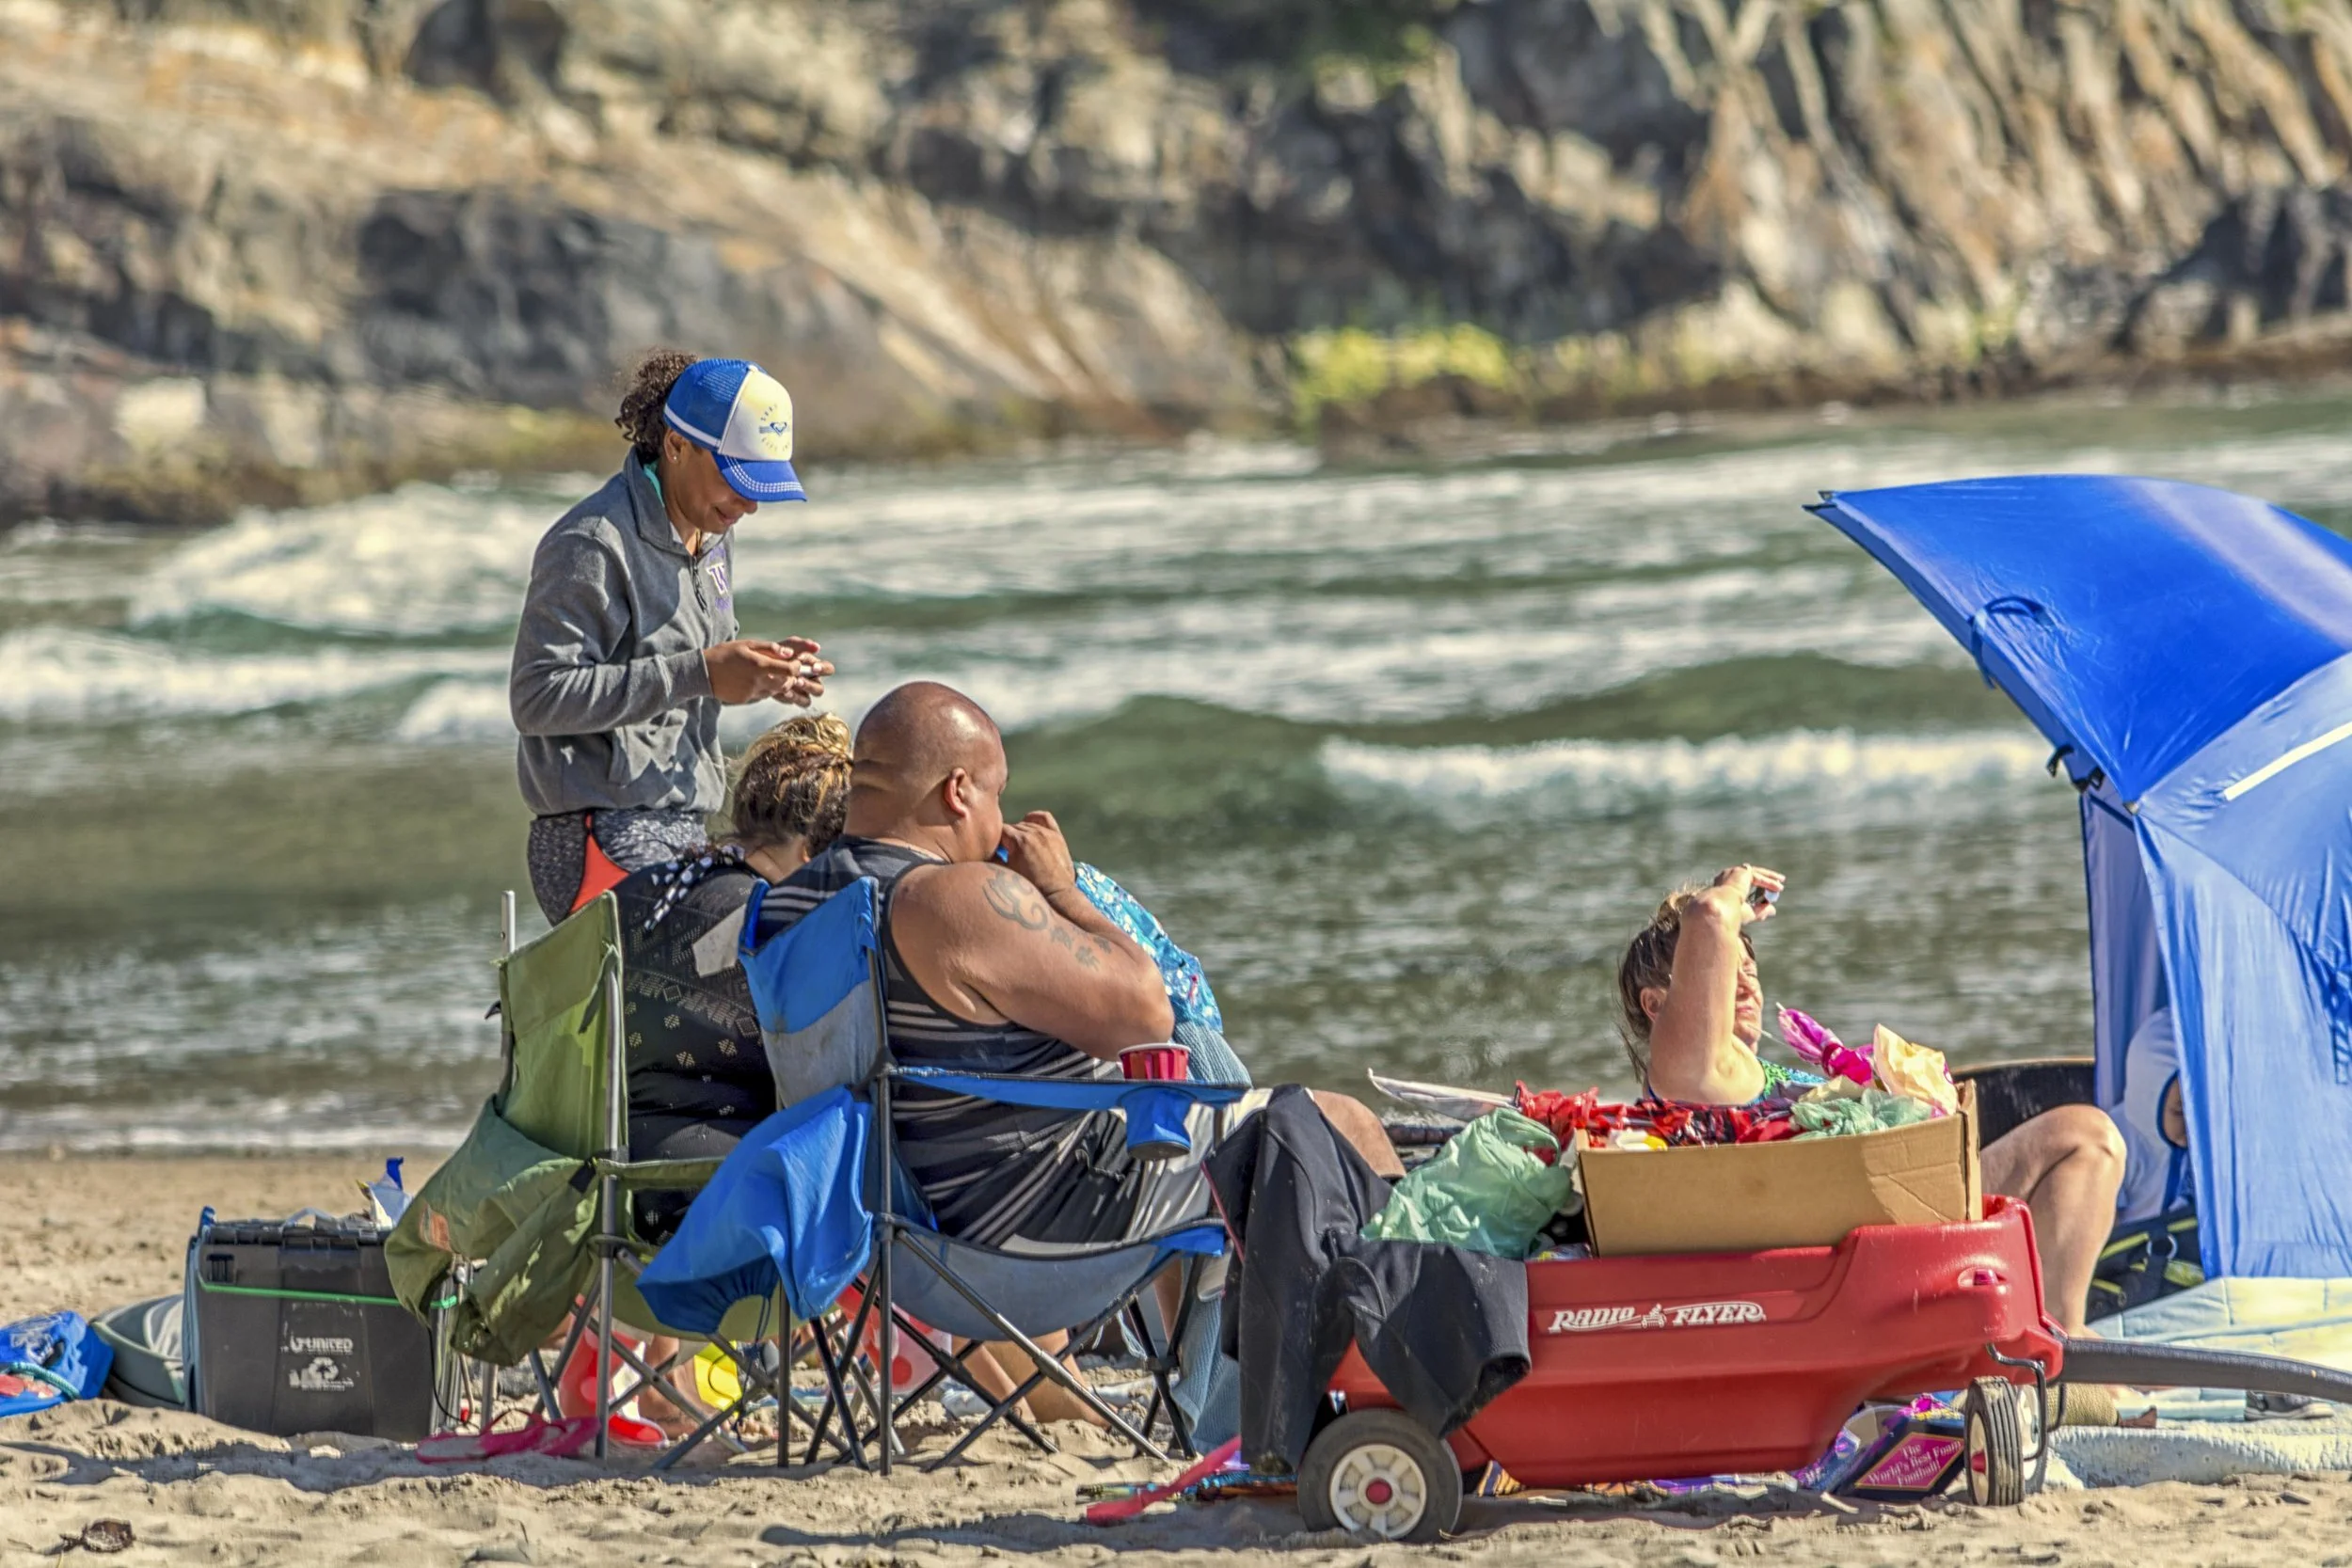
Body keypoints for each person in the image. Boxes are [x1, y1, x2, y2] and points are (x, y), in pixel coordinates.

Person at [755, 680, 1400, 1250]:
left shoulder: (783, 909)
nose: (1000, 818)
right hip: (1041, 1219)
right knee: (1338, 1122)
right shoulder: (950, 899)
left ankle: (1220, 1355)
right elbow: (1147, 1015)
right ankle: (1397, 1333)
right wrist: (1060, 890)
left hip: (889, 1232)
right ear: (958, 791)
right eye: (997, 794)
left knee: (1196, 1139)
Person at [1617, 864, 2125, 1338]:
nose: (1745, 978)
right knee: (2080, 1139)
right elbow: (1709, 915)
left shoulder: (1762, 1074)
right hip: (1839, 1263)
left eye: (1749, 966)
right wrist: (1732, 890)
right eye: (1726, 965)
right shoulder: (1689, 1074)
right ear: (1656, 1004)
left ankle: (2054, 1333)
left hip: (1880, 1226)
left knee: (2087, 1140)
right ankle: (2062, 1350)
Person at [549, 713, 854, 1439]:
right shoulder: (784, 922)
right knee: (863, 1137)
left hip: (608, 1216)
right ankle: (889, 1369)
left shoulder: (635, 895)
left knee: (681, 1097)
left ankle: (631, 1370)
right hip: (733, 1240)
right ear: (811, 849)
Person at [511, 350, 835, 927]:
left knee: (814, 911)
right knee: (749, 933)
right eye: (737, 480)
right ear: (677, 445)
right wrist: (702, 673)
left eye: (761, 486)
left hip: (685, 823)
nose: (750, 505)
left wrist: (760, 674)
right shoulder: (592, 544)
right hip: (597, 832)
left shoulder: (713, 534)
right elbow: (536, 697)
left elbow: (689, 671)